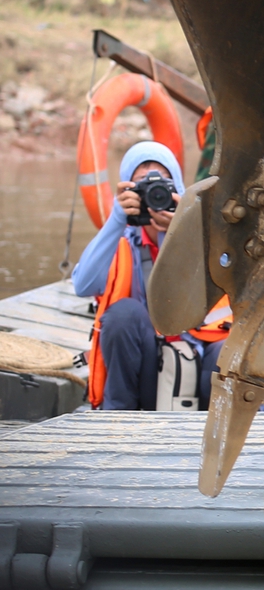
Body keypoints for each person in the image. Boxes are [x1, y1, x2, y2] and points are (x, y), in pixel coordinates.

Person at [73, 142, 231, 410]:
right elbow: (84, 284)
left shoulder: (204, 234)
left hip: (201, 363)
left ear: (178, 188)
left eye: (163, 184)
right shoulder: (120, 239)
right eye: (141, 185)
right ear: (127, 190)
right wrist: (116, 218)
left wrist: (188, 228)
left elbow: (237, 278)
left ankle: (224, 431)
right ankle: (118, 421)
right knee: (123, 314)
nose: (153, 194)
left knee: (230, 350)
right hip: (146, 367)